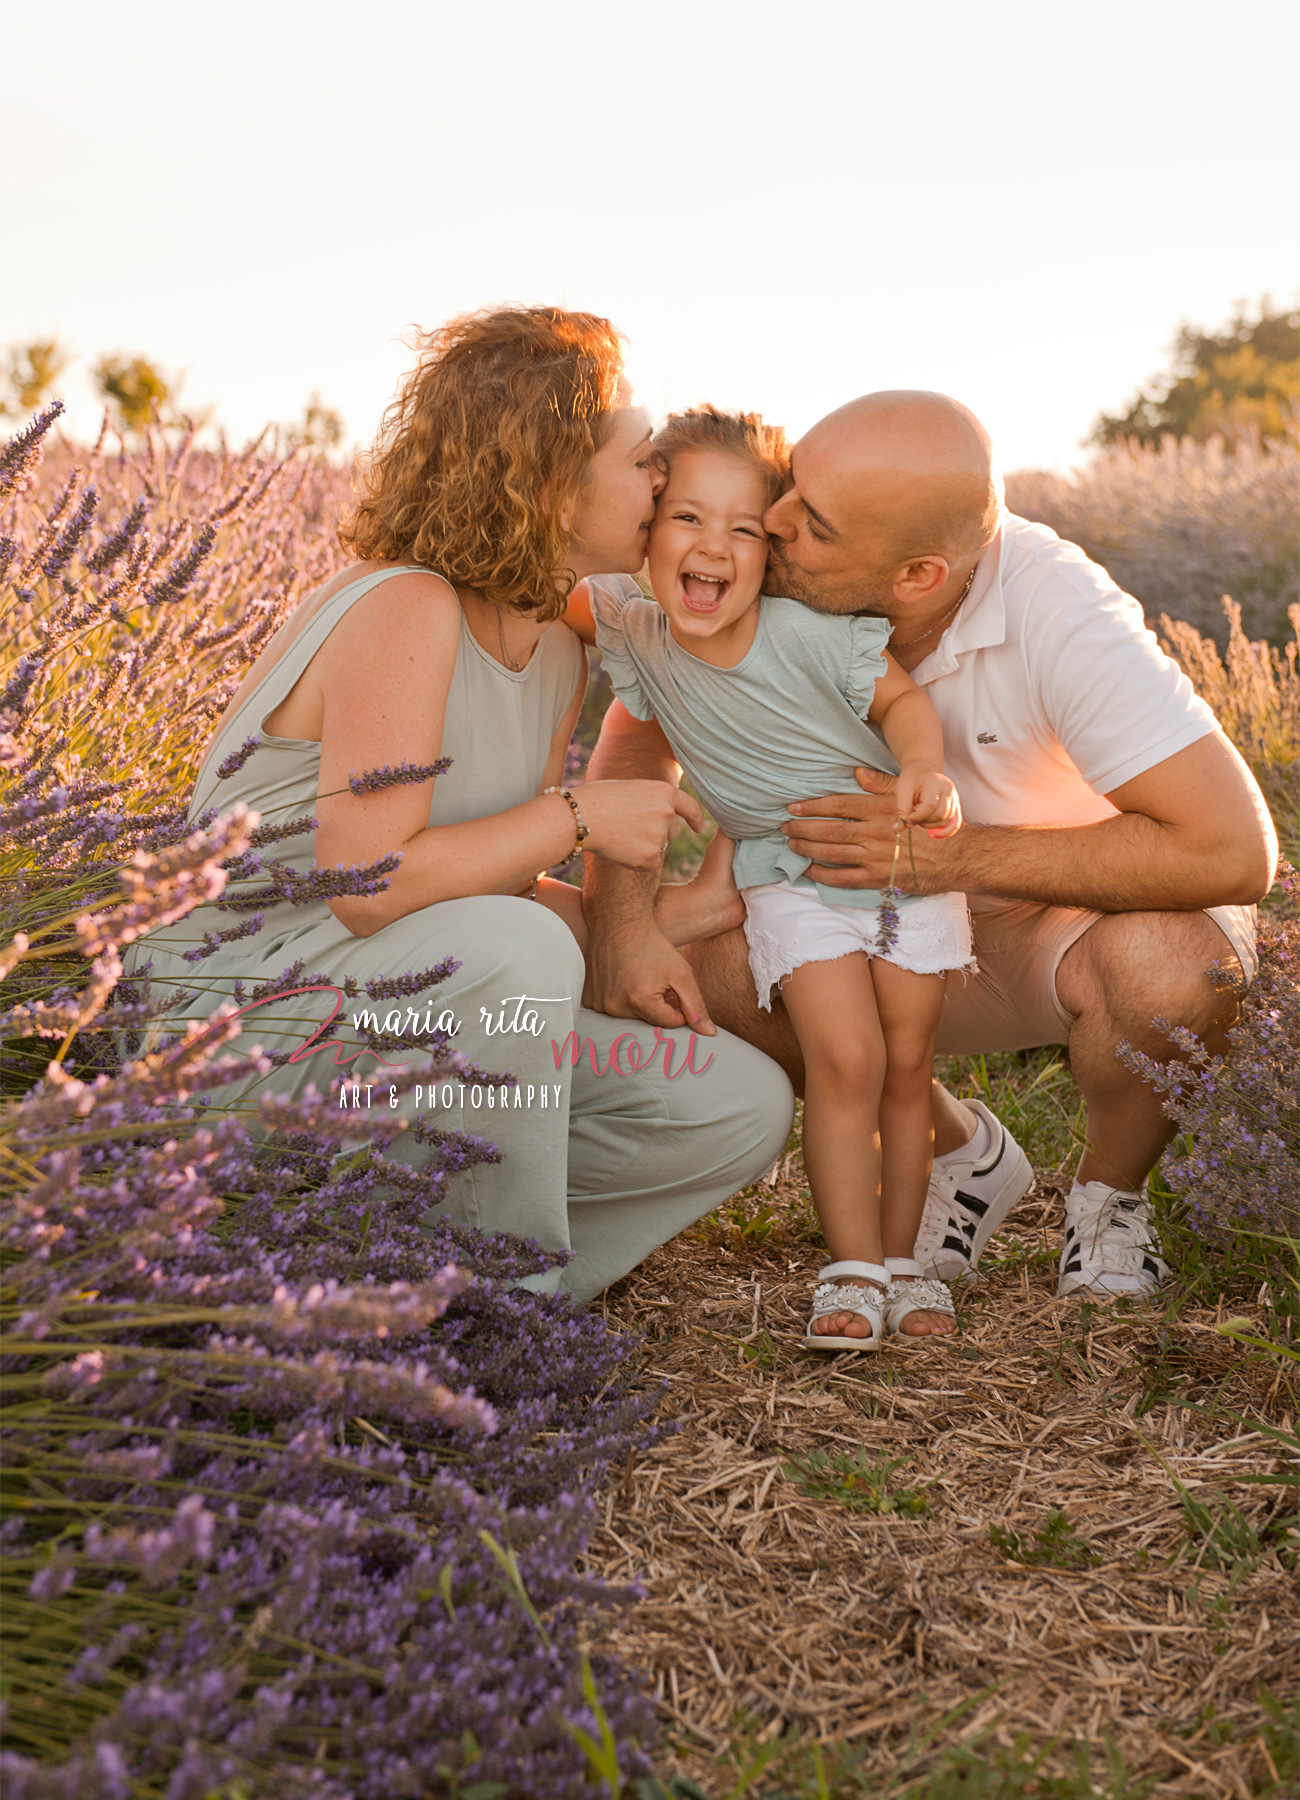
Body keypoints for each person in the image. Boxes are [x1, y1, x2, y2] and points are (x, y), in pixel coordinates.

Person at [126, 307, 793, 1306]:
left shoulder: (555, 642)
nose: (663, 481)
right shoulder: (407, 606)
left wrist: (680, 914)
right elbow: (372, 885)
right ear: (546, 485)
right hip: (237, 1025)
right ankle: (489, 1310)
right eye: (643, 459)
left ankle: (344, 1259)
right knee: (519, 957)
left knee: (736, 1105)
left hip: (385, 1013)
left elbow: (482, 885)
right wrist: (580, 814)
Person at [580, 391, 1276, 1300]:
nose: (774, 525)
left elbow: (1234, 851)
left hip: (1050, 932)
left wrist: (949, 859)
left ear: (916, 576)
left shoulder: (1055, 611)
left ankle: (1109, 1197)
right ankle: (964, 1153)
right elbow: (641, 729)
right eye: (790, 490)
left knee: (1183, 964)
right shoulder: (762, 565)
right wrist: (629, 924)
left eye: (810, 523)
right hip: (842, 916)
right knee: (675, 977)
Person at [578, 407, 971, 1347]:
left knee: (908, 1066)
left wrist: (925, 769)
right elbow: (518, 574)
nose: (713, 547)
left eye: (744, 529)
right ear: (645, 525)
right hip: (787, 880)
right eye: (685, 517)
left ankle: (908, 1264)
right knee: (846, 1061)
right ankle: (852, 1269)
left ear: (772, 547)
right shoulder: (636, 634)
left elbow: (903, 700)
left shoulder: (803, 633)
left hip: (895, 864)